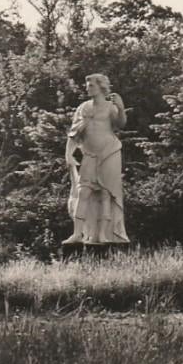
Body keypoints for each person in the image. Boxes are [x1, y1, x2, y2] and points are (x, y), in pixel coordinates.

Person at [62, 73, 130, 245]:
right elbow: (74, 133)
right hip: (90, 154)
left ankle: (102, 235)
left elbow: (120, 124)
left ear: (101, 87)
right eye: (87, 85)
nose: (87, 88)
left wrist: (121, 108)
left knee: (105, 194)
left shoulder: (110, 107)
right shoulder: (83, 108)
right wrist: (68, 153)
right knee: (83, 192)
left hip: (109, 152)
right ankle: (78, 234)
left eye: (91, 85)